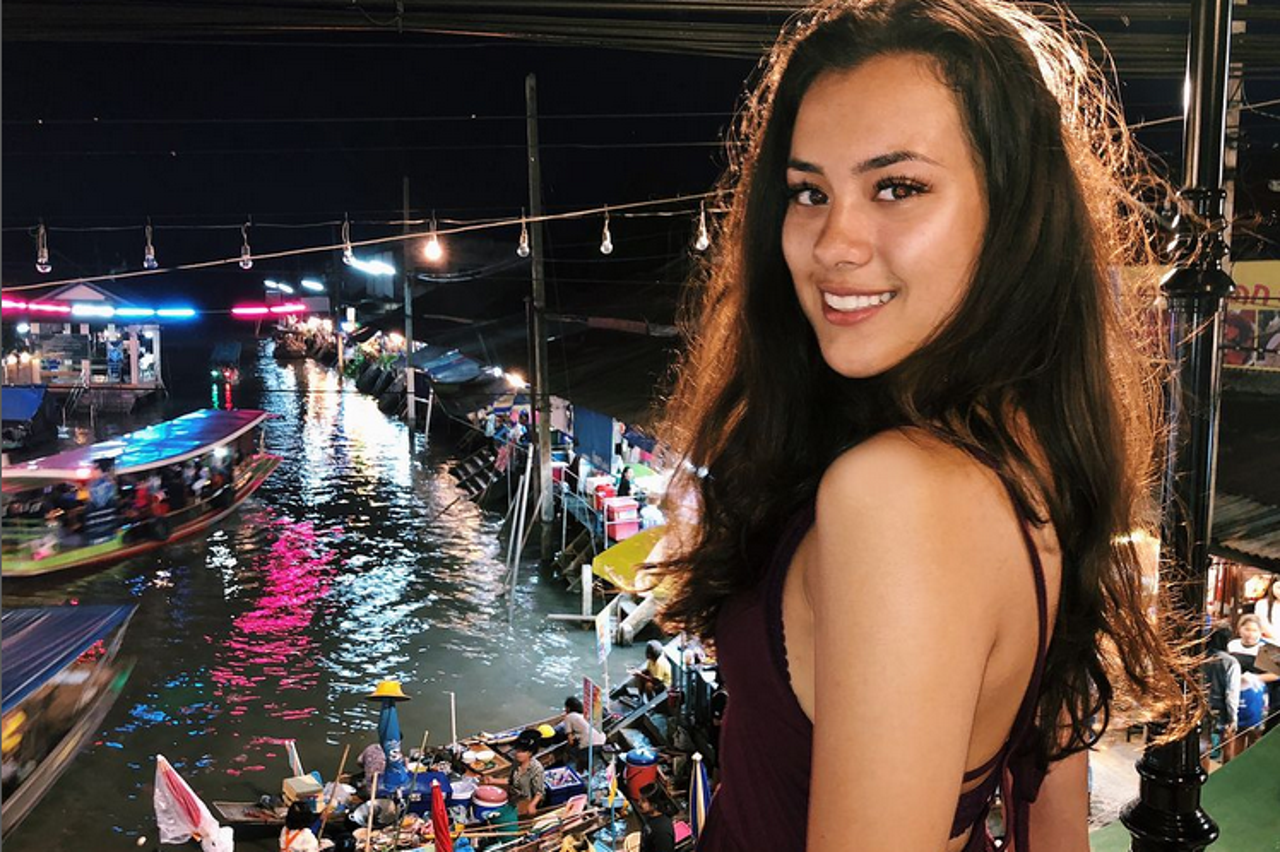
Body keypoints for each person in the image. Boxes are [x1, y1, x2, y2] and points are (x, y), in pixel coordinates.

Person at [649, 2, 1196, 850]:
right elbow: (1051, 810)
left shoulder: (899, 494)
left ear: (1014, 215)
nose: (833, 243)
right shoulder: (1027, 457)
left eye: (897, 188)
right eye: (808, 192)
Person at [1202, 623, 1240, 763]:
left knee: (1203, 748)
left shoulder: (1201, 657)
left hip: (1202, 708)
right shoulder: (1231, 662)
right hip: (1221, 710)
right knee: (1227, 746)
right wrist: (1233, 718)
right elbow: (1231, 693)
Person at [560, 696, 607, 772]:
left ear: (568, 708)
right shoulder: (584, 715)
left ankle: (579, 771)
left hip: (590, 742)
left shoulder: (568, 717)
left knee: (573, 752)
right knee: (587, 755)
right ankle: (589, 768)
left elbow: (570, 740)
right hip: (602, 739)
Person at [505, 729, 545, 816]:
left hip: (526, 800)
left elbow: (539, 793)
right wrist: (492, 780)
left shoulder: (537, 768)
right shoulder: (516, 762)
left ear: (530, 753)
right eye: (517, 750)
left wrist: (532, 805)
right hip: (513, 797)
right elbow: (510, 780)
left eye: (522, 751)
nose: (517, 754)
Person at [636, 781, 677, 852]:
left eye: (643, 801)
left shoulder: (662, 832)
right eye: (639, 799)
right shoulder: (650, 817)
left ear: (654, 805)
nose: (639, 803)